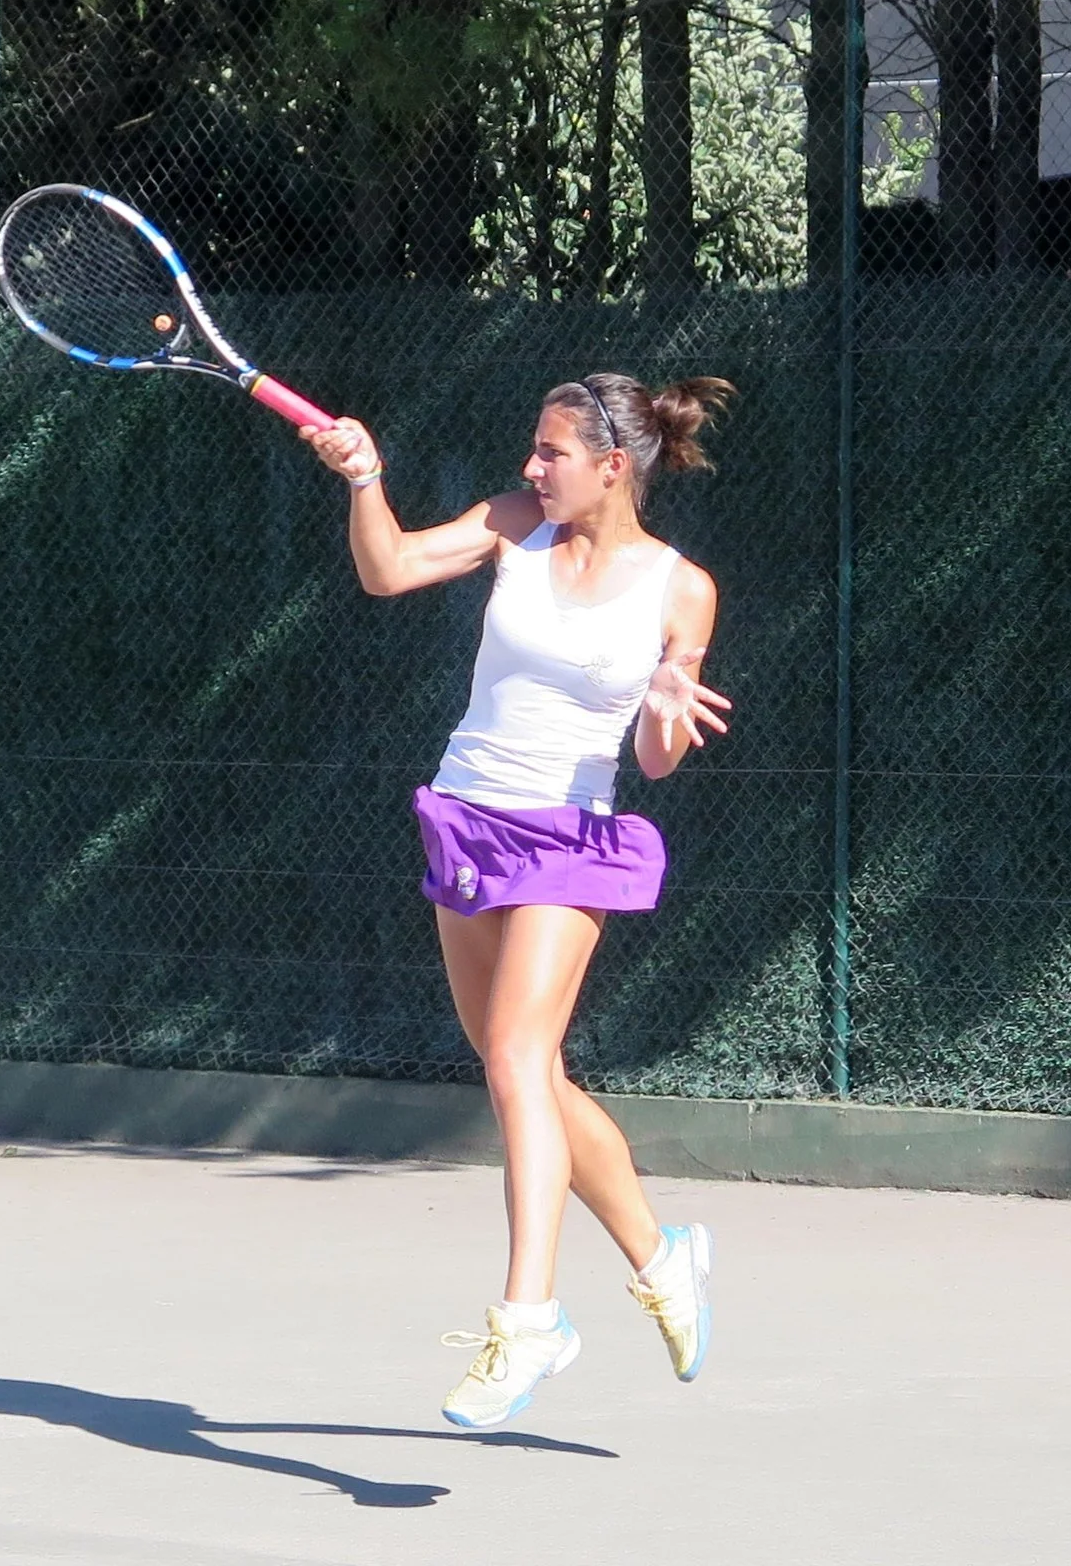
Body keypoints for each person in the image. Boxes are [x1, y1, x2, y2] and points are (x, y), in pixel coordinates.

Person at [302, 374, 735, 1429]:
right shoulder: (510, 526)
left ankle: (530, 1316)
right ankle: (660, 1254)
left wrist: (667, 709)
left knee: (511, 1059)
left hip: (569, 834)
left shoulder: (681, 589)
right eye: (532, 450)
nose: (531, 468)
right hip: (468, 816)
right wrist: (364, 479)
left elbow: (654, 758)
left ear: (612, 467)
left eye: (551, 453)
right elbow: (390, 567)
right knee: (526, 1069)